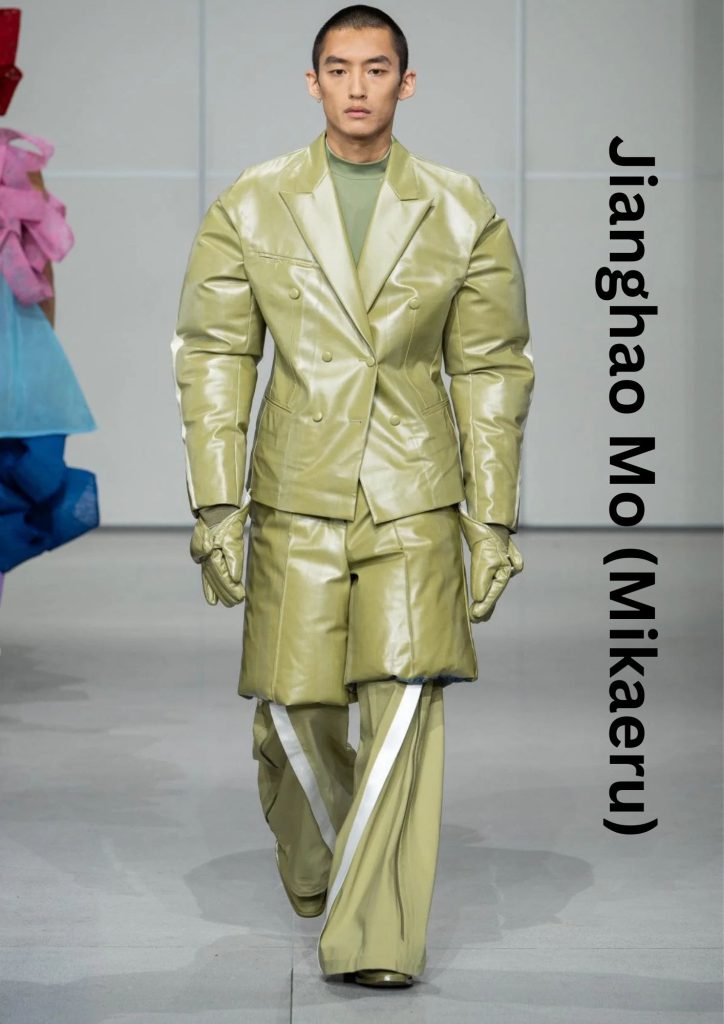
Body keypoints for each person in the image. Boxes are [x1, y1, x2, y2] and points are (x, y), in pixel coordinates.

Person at [172, 4, 535, 989]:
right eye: (339, 68)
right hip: (296, 487)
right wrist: (217, 505)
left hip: (413, 486)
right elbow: (215, 354)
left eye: (377, 69)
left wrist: (491, 517)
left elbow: (492, 366)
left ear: (405, 82)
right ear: (313, 82)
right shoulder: (253, 202)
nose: (358, 86)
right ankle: (330, 857)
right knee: (291, 712)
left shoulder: (460, 207)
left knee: (405, 700)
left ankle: (377, 938)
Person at [0, 7, 99, 599]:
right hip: (17, 354)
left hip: (14, 353)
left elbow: (39, 274)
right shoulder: (18, 166)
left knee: (11, 485)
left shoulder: (18, 167)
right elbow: (43, 279)